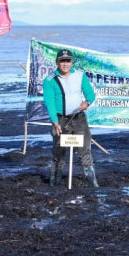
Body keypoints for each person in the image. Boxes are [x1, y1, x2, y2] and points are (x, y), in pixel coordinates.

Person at [43, 48, 98, 187]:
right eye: (62, 61)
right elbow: (49, 103)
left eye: (68, 61)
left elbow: (90, 95)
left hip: (79, 119)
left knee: (85, 151)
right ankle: (54, 183)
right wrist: (55, 123)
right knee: (58, 154)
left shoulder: (80, 75)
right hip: (61, 121)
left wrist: (87, 102)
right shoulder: (49, 80)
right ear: (57, 62)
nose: (65, 64)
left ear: (72, 62)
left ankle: (92, 183)